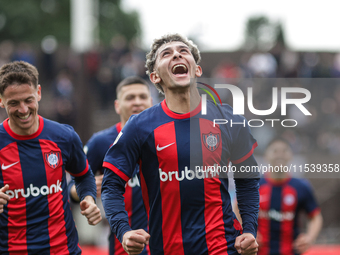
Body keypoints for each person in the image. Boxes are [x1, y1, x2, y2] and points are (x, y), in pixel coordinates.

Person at [102, 34, 260, 255]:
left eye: (183, 51)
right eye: (166, 54)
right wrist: (123, 231)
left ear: (197, 69)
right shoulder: (139, 126)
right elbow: (110, 185)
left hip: (223, 248)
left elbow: (248, 180)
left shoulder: (228, 120)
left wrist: (250, 230)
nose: (176, 54)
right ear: (155, 77)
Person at [0, 61, 102, 254]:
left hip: (63, 250)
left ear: (38, 92)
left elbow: (83, 175)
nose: (23, 110)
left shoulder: (64, 136)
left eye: (28, 100)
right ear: (1, 100)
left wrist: (88, 198)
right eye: (13, 103)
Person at [69, 76, 152, 254]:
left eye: (142, 97)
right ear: (117, 105)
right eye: (130, 98)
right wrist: (85, 191)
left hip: (165, 244)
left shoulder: (165, 137)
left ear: (151, 102)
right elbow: (73, 186)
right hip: (122, 246)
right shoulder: (100, 142)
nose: (137, 102)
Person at [255, 137, 323, 255]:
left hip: (291, 251)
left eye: (284, 151)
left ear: (291, 156)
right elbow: (237, 208)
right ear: (266, 156)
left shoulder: (301, 186)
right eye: (275, 151)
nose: (280, 154)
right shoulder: (255, 185)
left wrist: (310, 238)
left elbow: (315, 217)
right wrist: (246, 232)